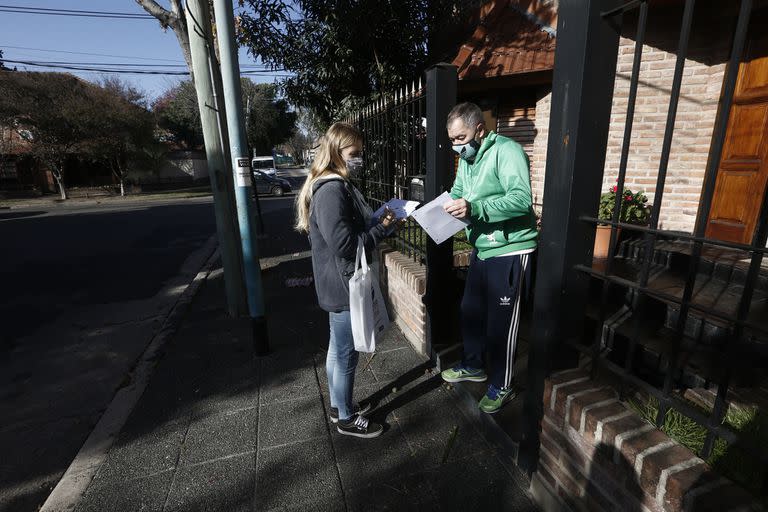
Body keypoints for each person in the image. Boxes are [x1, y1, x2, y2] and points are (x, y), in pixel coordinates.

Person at [295, 122, 397, 438]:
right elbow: (346, 245)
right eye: (354, 154)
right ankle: (346, 419)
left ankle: (340, 406)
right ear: (337, 152)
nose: (359, 159)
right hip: (342, 286)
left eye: (360, 153)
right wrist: (381, 230)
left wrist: (378, 219)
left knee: (336, 351)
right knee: (346, 355)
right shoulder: (331, 190)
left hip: (335, 283)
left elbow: (349, 229)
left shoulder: (335, 186)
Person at [440, 102, 538, 414]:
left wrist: (475, 209)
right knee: (471, 310)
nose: (457, 145)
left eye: (461, 137)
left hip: (511, 249)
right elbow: (458, 191)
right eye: (452, 139)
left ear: (480, 130)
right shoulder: (469, 159)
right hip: (483, 248)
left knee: (501, 324)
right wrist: (445, 207)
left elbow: (522, 200)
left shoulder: (507, 151)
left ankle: (502, 384)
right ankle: (473, 365)